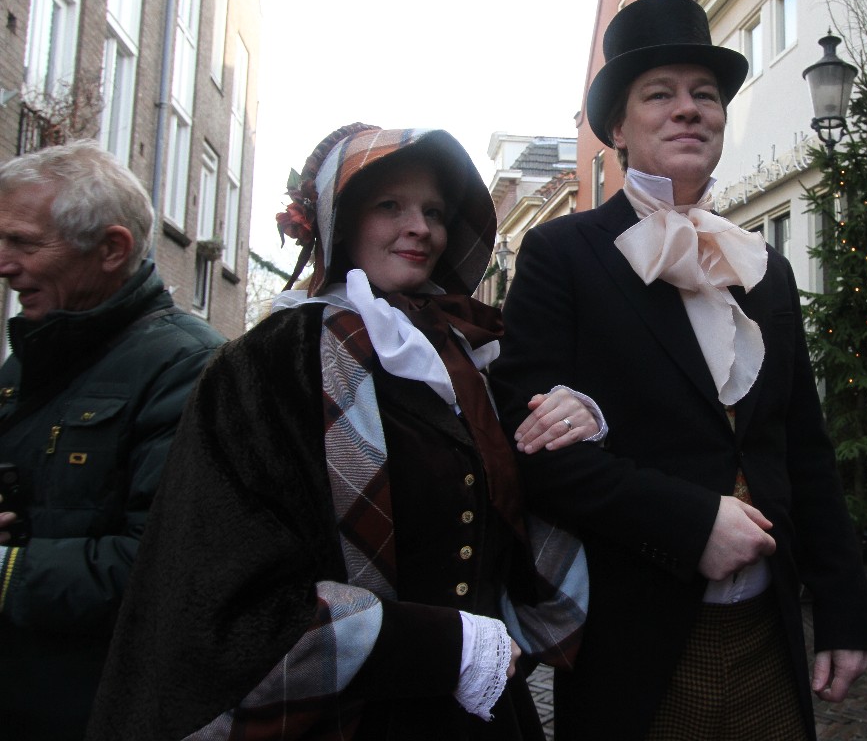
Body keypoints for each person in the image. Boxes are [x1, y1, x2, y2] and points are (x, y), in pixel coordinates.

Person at [88, 125, 600, 740]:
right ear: (341, 220)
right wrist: (443, 644)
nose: (420, 228)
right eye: (390, 206)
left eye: (434, 212)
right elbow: (225, 585)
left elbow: (518, 499)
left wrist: (575, 417)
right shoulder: (268, 365)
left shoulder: (469, 360)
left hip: (480, 710)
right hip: (347, 717)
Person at [490, 0, 867, 741]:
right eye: (659, 94)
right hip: (633, 642)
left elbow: (803, 449)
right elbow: (530, 449)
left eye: (705, 95)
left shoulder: (764, 269)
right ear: (618, 128)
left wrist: (843, 609)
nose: (689, 109)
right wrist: (691, 522)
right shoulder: (561, 255)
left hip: (768, 639)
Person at [0, 141, 225, 739]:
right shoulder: (31, 354)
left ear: (111, 249)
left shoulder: (191, 369)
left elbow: (167, 565)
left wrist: (7, 570)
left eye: (23, 243)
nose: (3, 263)